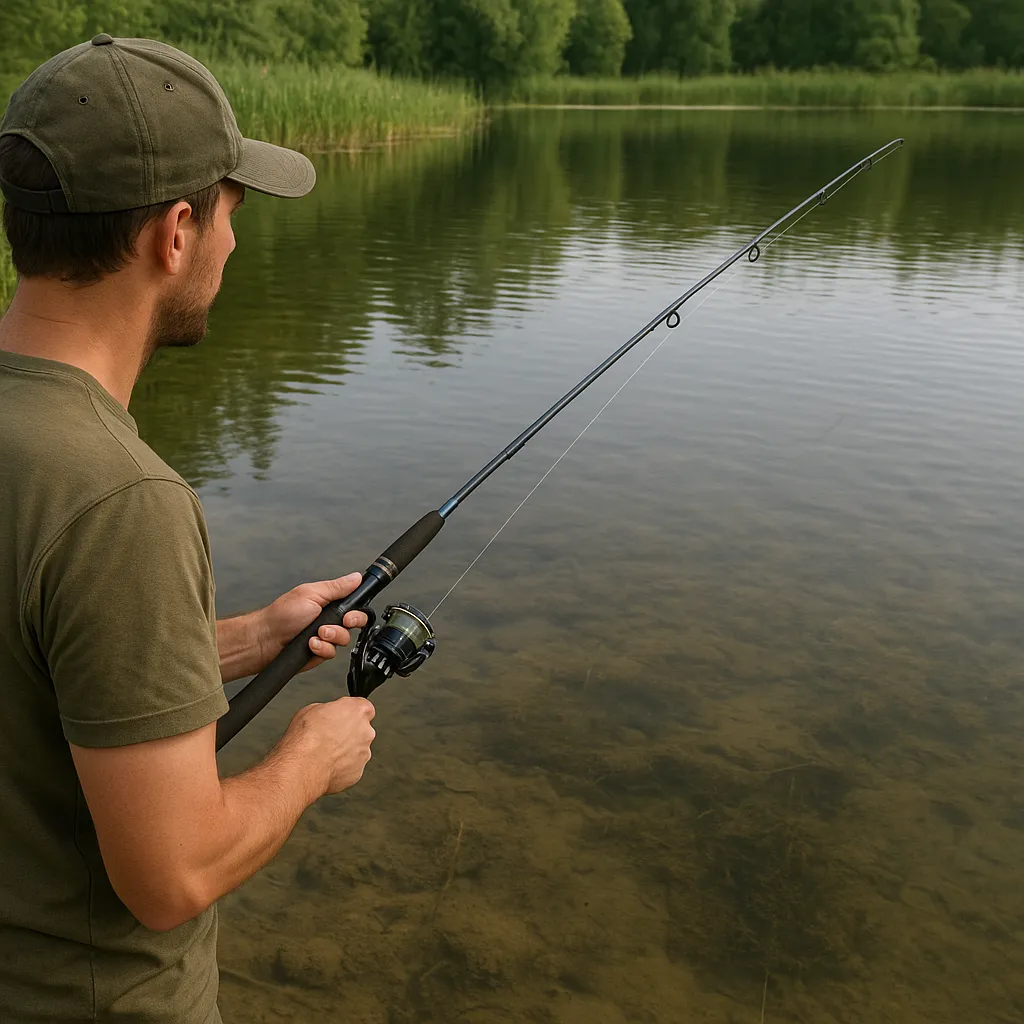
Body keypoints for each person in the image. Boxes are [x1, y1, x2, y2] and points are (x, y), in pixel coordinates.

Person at [0, 35, 377, 1023]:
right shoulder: (121, 500)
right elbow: (169, 874)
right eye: (232, 215)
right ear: (175, 232)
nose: (234, 245)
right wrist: (310, 757)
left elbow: (33, 670)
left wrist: (252, 640)